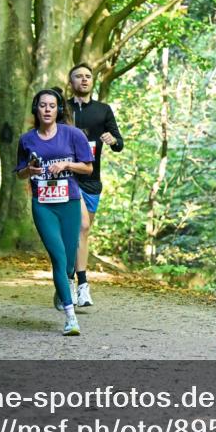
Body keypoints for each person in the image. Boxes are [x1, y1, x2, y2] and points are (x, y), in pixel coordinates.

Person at [16, 88, 93, 335]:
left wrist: (66, 164)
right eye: (42, 105)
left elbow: (88, 168)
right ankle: (71, 318)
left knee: (69, 263)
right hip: (43, 204)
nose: (47, 110)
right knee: (58, 257)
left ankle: (63, 287)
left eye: (52, 105)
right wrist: (29, 171)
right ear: (36, 109)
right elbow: (19, 173)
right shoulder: (27, 140)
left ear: (58, 109)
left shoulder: (73, 135)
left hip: (69, 202)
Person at [66, 63, 124, 307]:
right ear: (71, 82)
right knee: (82, 225)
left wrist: (113, 140)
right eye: (78, 76)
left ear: (92, 81)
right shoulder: (63, 109)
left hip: (91, 180)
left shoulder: (103, 110)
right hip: (67, 178)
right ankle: (81, 284)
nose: (84, 80)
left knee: (82, 232)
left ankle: (69, 280)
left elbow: (119, 143)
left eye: (88, 76)